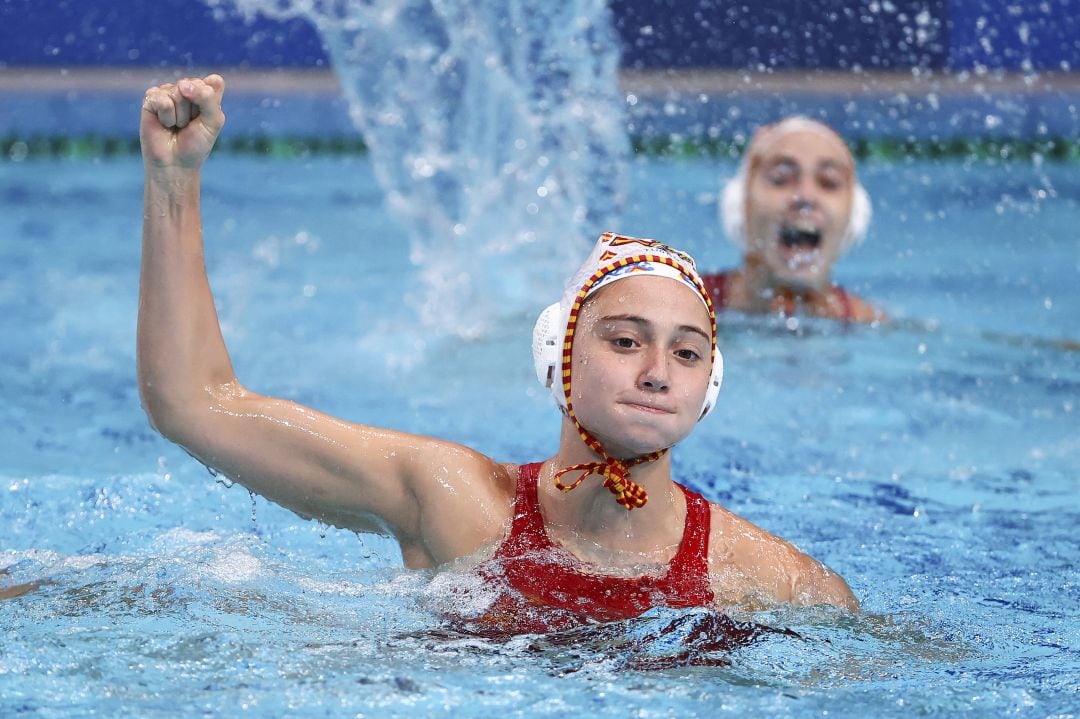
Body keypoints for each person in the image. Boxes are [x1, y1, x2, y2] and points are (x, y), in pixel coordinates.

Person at [137, 75, 858, 632]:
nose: (656, 371)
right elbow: (194, 404)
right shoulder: (457, 504)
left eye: (688, 352)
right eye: (626, 339)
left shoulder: (761, 576)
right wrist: (174, 183)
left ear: (710, 386)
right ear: (559, 356)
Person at [704, 116, 884, 323]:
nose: (805, 197)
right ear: (742, 205)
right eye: (781, 179)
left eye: (829, 182)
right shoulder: (686, 304)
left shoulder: (866, 322)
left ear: (853, 218)